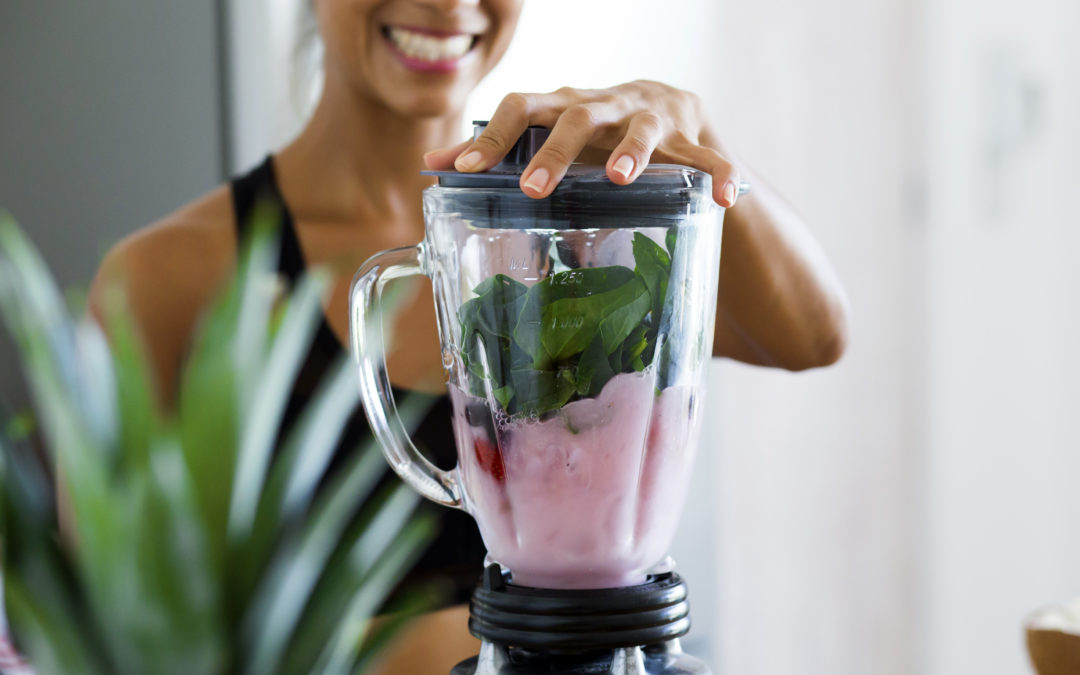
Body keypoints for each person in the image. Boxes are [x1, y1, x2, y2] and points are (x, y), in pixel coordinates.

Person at [90, 0, 849, 671]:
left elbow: (815, 335)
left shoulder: (582, 230)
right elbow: (124, 638)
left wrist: (695, 133)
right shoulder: (168, 278)